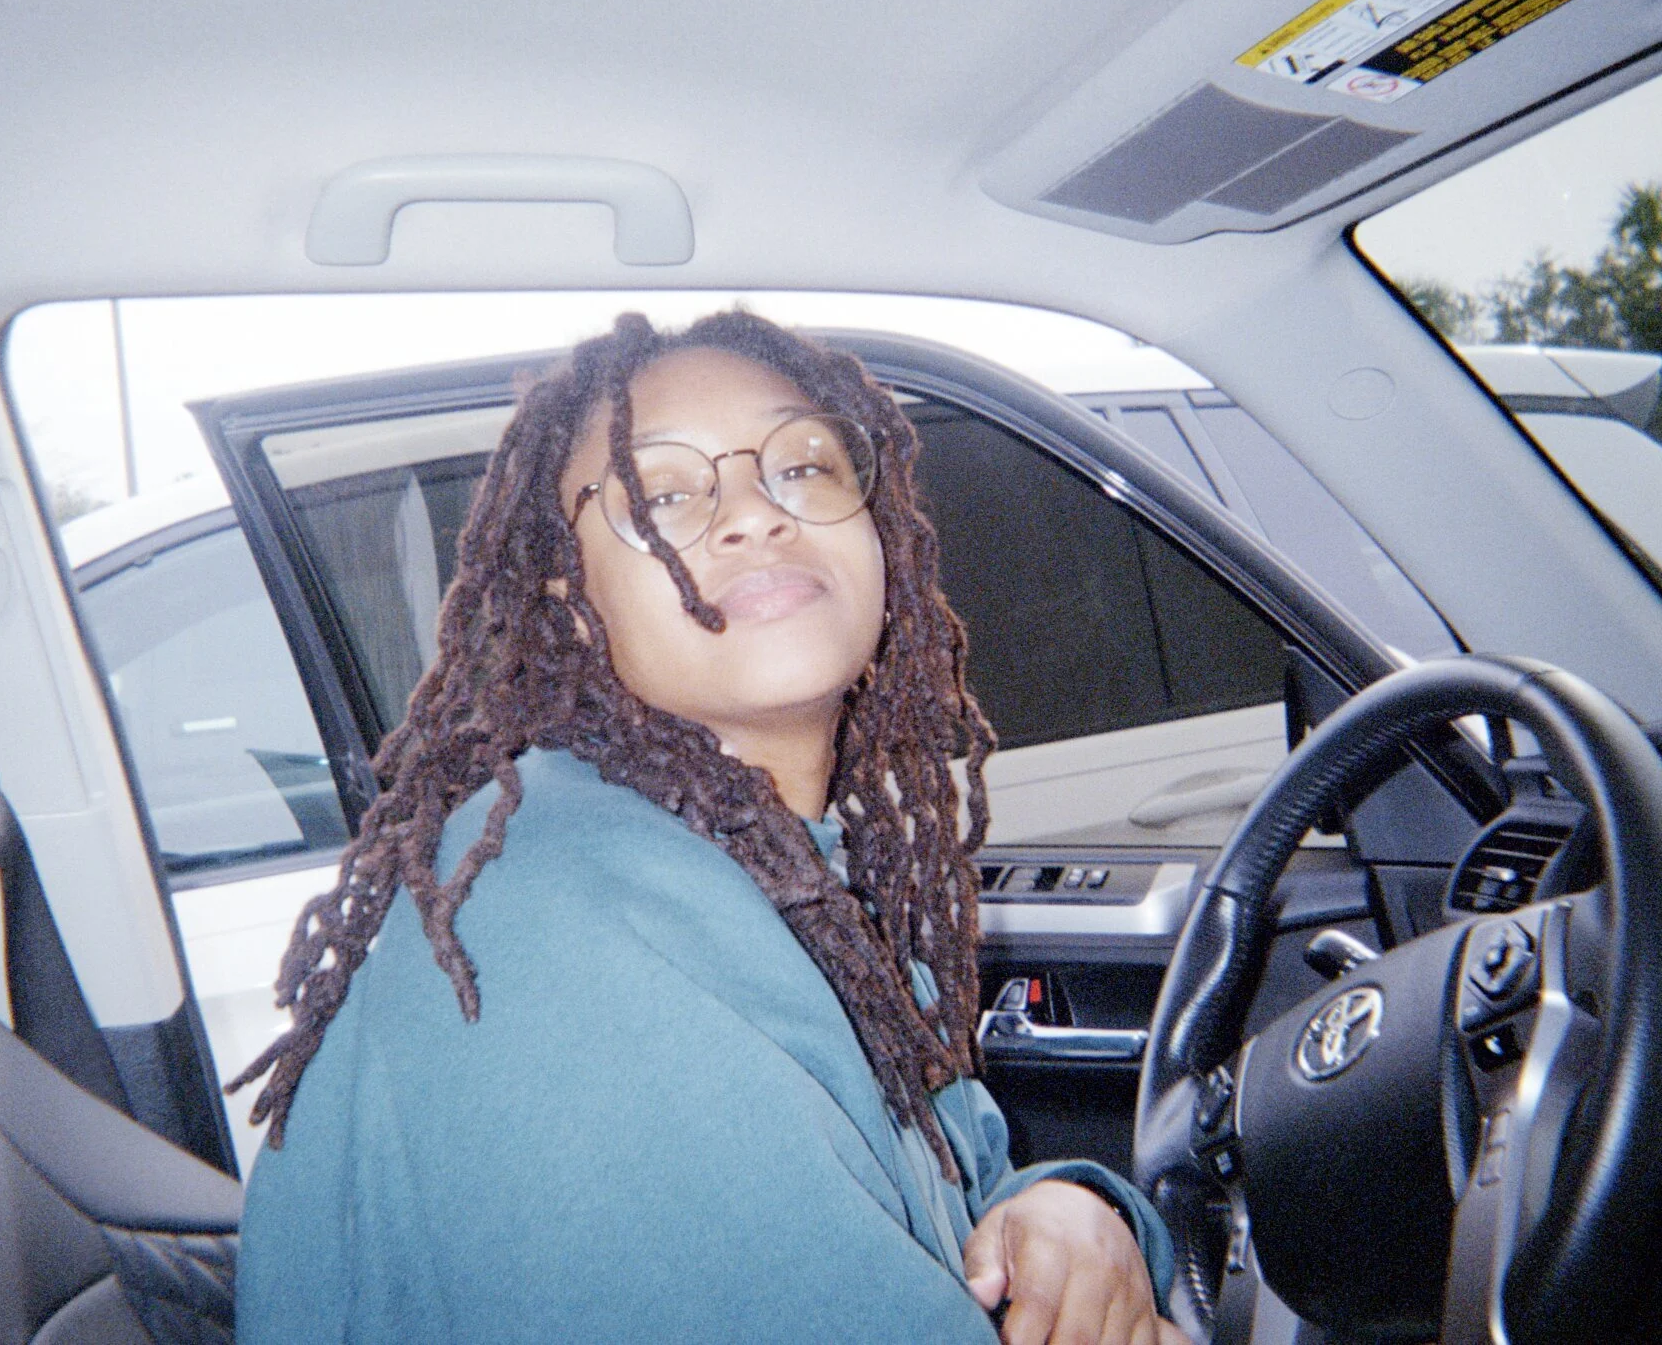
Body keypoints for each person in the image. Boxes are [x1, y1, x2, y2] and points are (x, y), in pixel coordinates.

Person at [234, 311, 1184, 1344]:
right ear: (566, 595)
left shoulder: (792, 880)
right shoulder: (567, 936)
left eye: (804, 466)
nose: (753, 514)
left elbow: (956, 1185)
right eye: (665, 494)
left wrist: (1079, 1213)